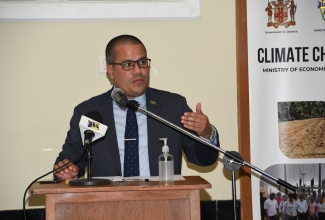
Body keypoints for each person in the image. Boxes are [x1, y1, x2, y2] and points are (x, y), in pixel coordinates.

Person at [53, 34, 219, 181]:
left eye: (142, 62)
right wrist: (67, 169)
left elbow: (203, 159)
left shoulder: (172, 106)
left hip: (163, 203)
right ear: (110, 69)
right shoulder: (90, 112)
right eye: (128, 64)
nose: (138, 71)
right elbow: (71, 157)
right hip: (107, 205)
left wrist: (206, 133)